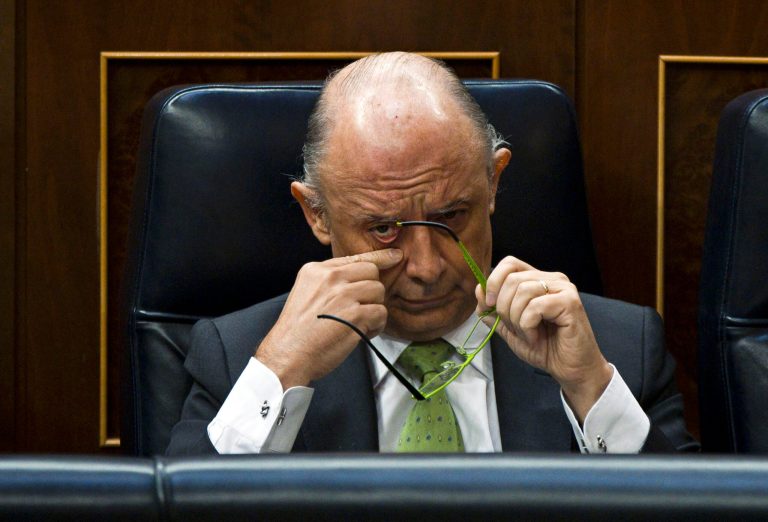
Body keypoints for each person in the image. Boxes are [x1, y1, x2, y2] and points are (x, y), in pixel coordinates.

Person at [167, 52, 698, 455]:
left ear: (493, 181)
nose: (425, 267)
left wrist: (590, 390)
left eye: (451, 217)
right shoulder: (240, 361)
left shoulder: (620, 355)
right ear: (317, 216)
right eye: (383, 228)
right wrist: (279, 374)